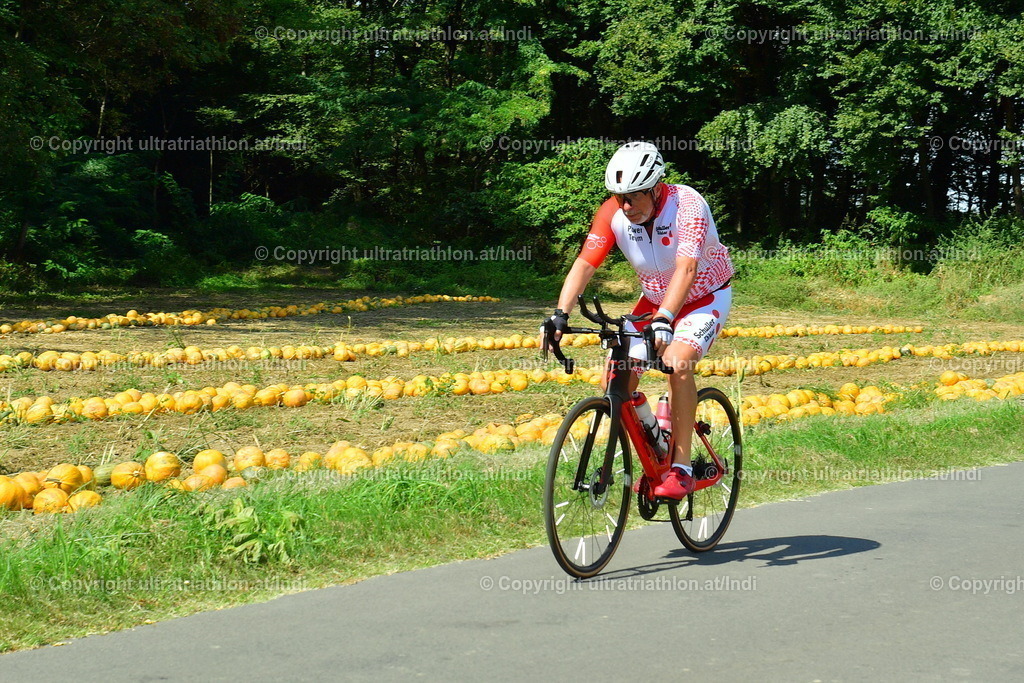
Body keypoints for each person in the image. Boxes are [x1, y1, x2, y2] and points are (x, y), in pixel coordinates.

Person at [543, 141, 734, 499]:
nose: (625, 206)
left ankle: (680, 467)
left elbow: (687, 268)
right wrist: (559, 314)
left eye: (632, 197)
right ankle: (656, 441)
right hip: (654, 300)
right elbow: (585, 264)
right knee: (614, 379)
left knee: (677, 362)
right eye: (618, 198)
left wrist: (665, 317)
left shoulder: (687, 205)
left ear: (656, 187)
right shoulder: (613, 213)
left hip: (704, 297)